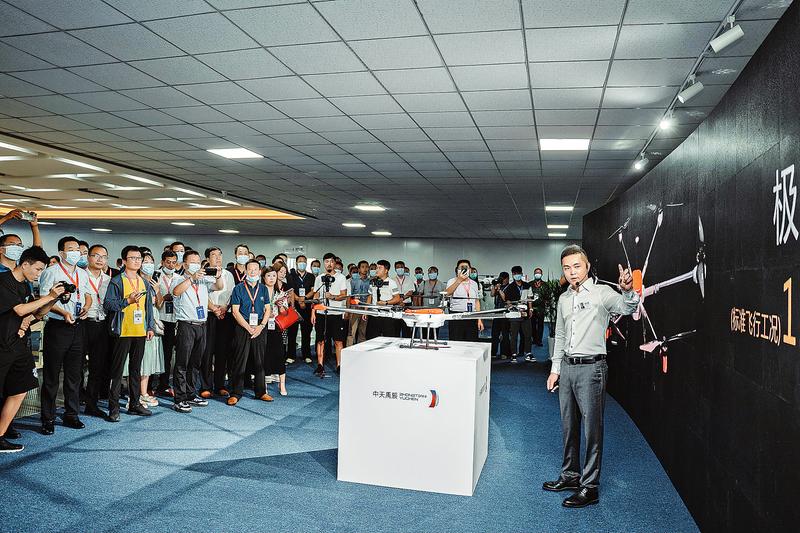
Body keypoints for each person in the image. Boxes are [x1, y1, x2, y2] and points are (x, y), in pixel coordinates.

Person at [543, 245, 638, 508]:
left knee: (592, 430)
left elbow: (627, 307)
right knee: (569, 426)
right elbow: (560, 334)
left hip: (592, 369)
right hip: (567, 368)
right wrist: (555, 369)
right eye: (566, 268)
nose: (572, 272)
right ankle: (570, 476)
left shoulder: (601, 293)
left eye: (577, 266)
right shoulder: (563, 299)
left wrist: (627, 290)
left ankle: (590, 487)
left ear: (587, 266)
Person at [0, 246, 64, 453]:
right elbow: (20, 310)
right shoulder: (4, 281)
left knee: (20, 389)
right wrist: (47, 296)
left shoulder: (25, 286)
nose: (39, 274)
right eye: (37, 269)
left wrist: (53, 299)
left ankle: (0, 435)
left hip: (18, 344)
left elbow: (35, 315)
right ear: (25, 264)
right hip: (2, 345)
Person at [37, 236, 93, 435]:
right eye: (71, 249)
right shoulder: (51, 272)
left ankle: (71, 414)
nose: (76, 252)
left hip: (78, 326)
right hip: (58, 327)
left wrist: (86, 307)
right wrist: (63, 312)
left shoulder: (82, 273)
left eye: (78, 249)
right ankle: (48, 418)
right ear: (61, 252)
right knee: (52, 375)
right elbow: (44, 299)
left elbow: (87, 295)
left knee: (74, 375)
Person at [103, 246, 156, 420]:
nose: (137, 261)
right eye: (133, 258)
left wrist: (150, 327)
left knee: (135, 369)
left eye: (139, 258)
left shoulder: (144, 282)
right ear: (124, 261)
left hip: (140, 331)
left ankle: (135, 404)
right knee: (117, 371)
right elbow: (108, 304)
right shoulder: (117, 281)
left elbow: (148, 307)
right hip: (122, 332)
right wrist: (127, 301)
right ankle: (114, 408)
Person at [170, 250, 223, 413]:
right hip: (186, 325)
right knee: (182, 363)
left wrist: (218, 275)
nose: (195, 264)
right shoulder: (178, 278)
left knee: (195, 363)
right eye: (192, 262)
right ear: (185, 264)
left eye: (198, 262)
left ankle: (191, 394)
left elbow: (219, 286)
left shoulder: (203, 280)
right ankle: (179, 399)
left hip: (202, 325)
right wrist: (192, 278)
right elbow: (176, 292)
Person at [122, 251, 164, 411]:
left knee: (148, 360)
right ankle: (133, 395)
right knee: (135, 362)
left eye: (150, 262)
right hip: (135, 325)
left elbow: (159, 304)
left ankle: (144, 392)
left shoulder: (153, 282)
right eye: (145, 261)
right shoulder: (131, 281)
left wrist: (157, 290)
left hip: (151, 324)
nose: (148, 264)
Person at [228, 260, 270, 405]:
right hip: (242, 326)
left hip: (259, 326)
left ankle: (261, 392)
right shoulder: (238, 288)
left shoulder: (263, 289)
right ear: (245, 271)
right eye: (250, 269)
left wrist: (261, 326)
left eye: (255, 269)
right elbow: (235, 311)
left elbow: (268, 309)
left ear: (259, 271)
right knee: (240, 359)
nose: (252, 272)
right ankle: (235, 393)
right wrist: (247, 327)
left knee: (260, 360)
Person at [200, 246, 234, 398]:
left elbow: (231, 294)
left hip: (224, 315)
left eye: (220, 255)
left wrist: (225, 308)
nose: (218, 257)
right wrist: (213, 308)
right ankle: (205, 386)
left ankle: (220, 385)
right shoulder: (203, 274)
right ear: (207, 259)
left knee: (222, 351)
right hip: (208, 315)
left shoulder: (228, 274)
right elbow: (202, 295)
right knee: (207, 352)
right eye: (214, 255)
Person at [83, 244, 111, 417]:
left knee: (97, 366)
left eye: (104, 256)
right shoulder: (80, 276)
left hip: (102, 324)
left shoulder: (109, 280)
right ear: (88, 257)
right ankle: (74, 402)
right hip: (83, 323)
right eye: (96, 256)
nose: (100, 259)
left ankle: (91, 404)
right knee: (77, 366)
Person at [310, 252, 347, 376]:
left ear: (335, 263)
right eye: (326, 261)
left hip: (336, 313)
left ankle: (339, 365)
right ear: (324, 263)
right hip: (321, 313)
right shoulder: (319, 278)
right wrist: (313, 312)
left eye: (331, 261)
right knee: (320, 340)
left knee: (338, 341)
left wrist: (332, 297)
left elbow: (344, 295)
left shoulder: (341, 277)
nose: (329, 264)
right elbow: (315, 296)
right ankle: (320, 365)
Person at [153, 250, 178, 397]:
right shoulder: (155, 276)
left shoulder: (179, 278)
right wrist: (163, 296)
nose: (171, 265)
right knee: (155, 353)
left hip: (174, 319)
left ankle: (164, 384)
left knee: (168, 355)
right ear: (162, 262)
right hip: (159, 318)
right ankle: (150, 385)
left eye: (174, 262)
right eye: (168, 262)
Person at [263, 266, 289, 396]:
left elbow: (285, 313)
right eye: (268, 276)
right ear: (263, 278)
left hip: (277, 327)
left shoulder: (281, 293)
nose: (271, 278)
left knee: (279, 354)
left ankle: (282, 384)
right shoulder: (259, 292)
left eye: (274, 275)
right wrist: (266, 314)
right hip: (262, 326)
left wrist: (280, 307)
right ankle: (263, 384)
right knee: (264, 355)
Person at [444, 259, 483, 341]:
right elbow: (447, 294)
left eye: (466, 268)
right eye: (462, 268)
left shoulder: (474, 284)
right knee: (456, 341)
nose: (464, 269)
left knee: (471, 341)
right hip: (456, 316)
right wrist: (459, 280)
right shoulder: (452, 281)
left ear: (470, 270)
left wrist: (479, 319)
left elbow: (476, 301)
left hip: (472, 316)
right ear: (457, 270)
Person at [286, 254, 314, 364]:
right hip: (294, 307)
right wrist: (298, 299)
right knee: (292, 332)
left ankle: (306, 354)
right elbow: (290, 291)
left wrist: (305, 298)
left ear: (306, 263)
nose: (302, 263)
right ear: (296, 263)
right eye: (300, 261)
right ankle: (291, 355)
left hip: (307, 307)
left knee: (306, 332)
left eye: (304, 261)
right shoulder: (291, 276)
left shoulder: (311, 276)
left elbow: (313, 290)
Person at [365, 260, 401, 339]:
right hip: (374, 315)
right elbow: (369, 296)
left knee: (389, 339)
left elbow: (397, 298)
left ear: (386, 270)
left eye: (380, 268)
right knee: (371, 338)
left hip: (387, 315)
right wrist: (365, 311)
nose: (377, 270)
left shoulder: (391, 282)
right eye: (377, 268)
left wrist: (386, 302)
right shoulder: (372, 282)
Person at [0, 209, 42, 273]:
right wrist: (6, 218)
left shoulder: (23, 268)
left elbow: (37, 251)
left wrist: (34, 226)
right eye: (12, 244)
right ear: (1, 249)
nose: (17, 247)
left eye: (19, 245)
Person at [505, 265, 533, 364]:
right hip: (514, 313)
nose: (517, 275)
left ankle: (528, 353)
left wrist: (531, 309)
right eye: (515, 274)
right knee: (514, 335)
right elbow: (507, 300)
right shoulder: (510, 287)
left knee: (528, 334)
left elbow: (530, 298)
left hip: (525, 313)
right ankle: (513, 354)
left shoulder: (527, 285)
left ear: (521, 274)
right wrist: (513, 307)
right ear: (512, 275)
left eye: (518, 273)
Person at [345, 260, 370, 346]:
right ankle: (349, 349)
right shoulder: (353, 281)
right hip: (355, 308)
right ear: (359, 269)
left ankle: (360, 350)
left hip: (365, 308)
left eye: (367, 267)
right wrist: (348, 310)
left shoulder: (370, 281)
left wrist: (366, 309)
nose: (365, 269)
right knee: (352, 331)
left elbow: (370, 296)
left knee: (362, 332)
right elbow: (349, 296)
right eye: (363, 267)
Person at [490, 272, 511, 358]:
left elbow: (505, 298)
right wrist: (494, 287)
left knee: (505, 334)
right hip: (497, 312)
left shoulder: (510, 287)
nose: (501, 280)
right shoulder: (499, 285)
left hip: (505, 312)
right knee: (495, 333)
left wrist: (499, 290)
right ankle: (493, 352)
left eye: (503, 279)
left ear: (507, 279)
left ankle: (504, 353)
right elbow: (492, 295)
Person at [392, 260, 415, 337]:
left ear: (404, 268)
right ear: (395, 269)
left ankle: (407, 341)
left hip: (407, 305)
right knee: (396, 327)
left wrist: (402, 299)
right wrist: (398, 300)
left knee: (407, 326)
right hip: (396, 305)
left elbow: (411, 292)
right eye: (398, 267)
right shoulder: (392, 280)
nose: (400, 269)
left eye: (401, 267)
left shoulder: (409, 279)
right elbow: (391, 293)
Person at [529, 267, 547, 349]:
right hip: (532, 307)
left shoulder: (545, 285)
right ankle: (534, 339)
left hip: (541, 307)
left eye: (539, 273)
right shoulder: (530, 284)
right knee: (532, 324)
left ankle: (539, 340)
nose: (537, 274)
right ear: (534, 274)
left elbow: (547, 296)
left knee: (540, 324)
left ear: (542, 274)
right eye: (536, 273)